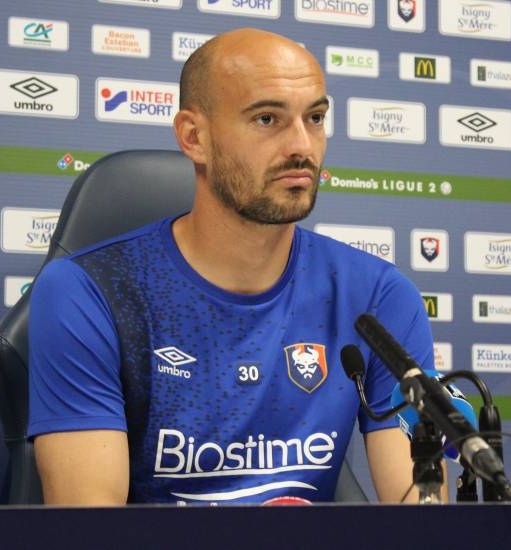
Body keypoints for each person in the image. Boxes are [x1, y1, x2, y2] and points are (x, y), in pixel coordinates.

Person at [27, 28, 441, 505]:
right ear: (193, 137)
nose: (302, 147)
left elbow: (419, 514)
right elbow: (90, 527)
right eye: (268, 118)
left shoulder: (377, 298)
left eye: (316, 117)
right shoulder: (92, 291)